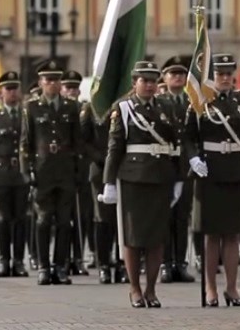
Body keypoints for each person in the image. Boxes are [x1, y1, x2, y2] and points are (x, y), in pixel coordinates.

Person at [100, 61, 185, 308]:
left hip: (160, 176)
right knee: (133, 237)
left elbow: (176, 146)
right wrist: (109, 182)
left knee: (156, 237)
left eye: (152, 81)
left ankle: (151, 289)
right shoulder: (124, 108)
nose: (149, 85)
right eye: (144, 80)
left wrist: (179, 178)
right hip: (133, 177)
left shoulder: (167, 106)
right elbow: (114, 147)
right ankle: (135, 288)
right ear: (134, 82)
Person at [185, 53, 240, 307]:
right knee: (211, 235)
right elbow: (188, 137)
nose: (224, 78)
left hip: (236, 172)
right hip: (209, 173)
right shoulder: (200, 102)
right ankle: (211, 288)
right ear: (212, 77)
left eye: (228, 74)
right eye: (219, 74)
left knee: (233, 234)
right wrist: (193, 159)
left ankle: (232, 289)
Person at [20, 61, 84, 286]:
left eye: (56, 80)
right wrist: (27, 171)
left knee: (65, 222)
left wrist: (78, 170)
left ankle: (60, 266)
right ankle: (44, 267)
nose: (53, 84)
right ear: (41, 83)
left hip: (65, 170)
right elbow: (26, 143)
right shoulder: (32, 107)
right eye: (48, 80)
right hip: (43, 170)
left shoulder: (70, 107)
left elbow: (77, 141)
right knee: (44, 220)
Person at [0, 71, 29, 277]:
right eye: (8, 89)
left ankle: (18, 261)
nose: (12, 92)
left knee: (20, 219)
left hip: (20, 174)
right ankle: (3, 260)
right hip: (1, 174)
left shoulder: (27, 115)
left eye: (15, 88)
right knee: (2, 220)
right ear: (1, 93)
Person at [159, 56, 196, 284]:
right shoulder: (160, 102)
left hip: (186, 166)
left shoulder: (192, 102)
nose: (178, 78)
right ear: (165, 77)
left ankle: (180, 263)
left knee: (182, 218)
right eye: (173, 74)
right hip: (164, 166)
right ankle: (165, 263)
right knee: (164, 217)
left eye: (181, 74)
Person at [82, 97, 127, 284]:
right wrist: (103, 159)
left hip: (125, 168)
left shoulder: (127, 104)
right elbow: (84, 140)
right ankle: (104, 265)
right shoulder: (90, 108)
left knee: (122, 219)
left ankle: (121, 263)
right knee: (103, 219)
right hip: (100, 169)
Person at [61, 69, 92, 276]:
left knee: (82, 215)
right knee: (64, 217)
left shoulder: (84, 109)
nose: (72, 91)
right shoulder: (58, 111)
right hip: (62, 170)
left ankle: (78, 257)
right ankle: (63, 259)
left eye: (75, 87)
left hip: (82, 169)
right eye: (68, 87)